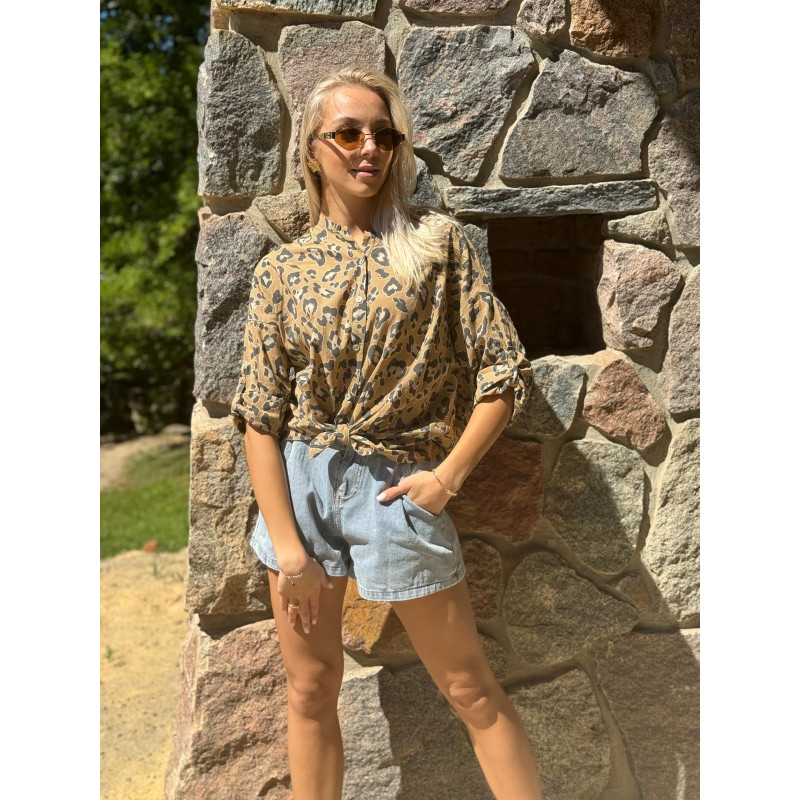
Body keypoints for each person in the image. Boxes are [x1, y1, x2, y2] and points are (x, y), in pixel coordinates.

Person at [230, 66, 544, 800]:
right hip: (301, 494)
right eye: (347, 133)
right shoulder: (281, 272)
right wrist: (288, 548)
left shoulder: (438, 246)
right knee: (310, 689)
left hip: (398, 490)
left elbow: (504, 374)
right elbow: (259, 416)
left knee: (468, 688)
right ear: (313, 151)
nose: (368, 147)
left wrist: (447, 479)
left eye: (383, 134)